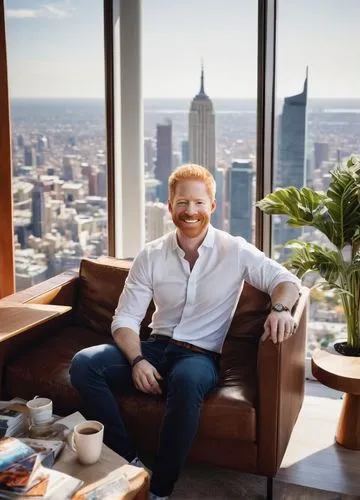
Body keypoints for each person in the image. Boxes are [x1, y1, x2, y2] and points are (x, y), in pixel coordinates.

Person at [70, 164, 301, 500]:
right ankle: (130, 462)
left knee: (187, 380)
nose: (190, 211)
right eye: (182, 203)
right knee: (84, 364)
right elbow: (124, 320)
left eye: (198, 203)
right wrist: (136, 360)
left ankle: (159, 489)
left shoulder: (234, 250)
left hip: (201, 356)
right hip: (155, 347)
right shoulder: (151, 255)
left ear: (212, 206)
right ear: (169, 206)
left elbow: (286, 281)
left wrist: (280, 309)